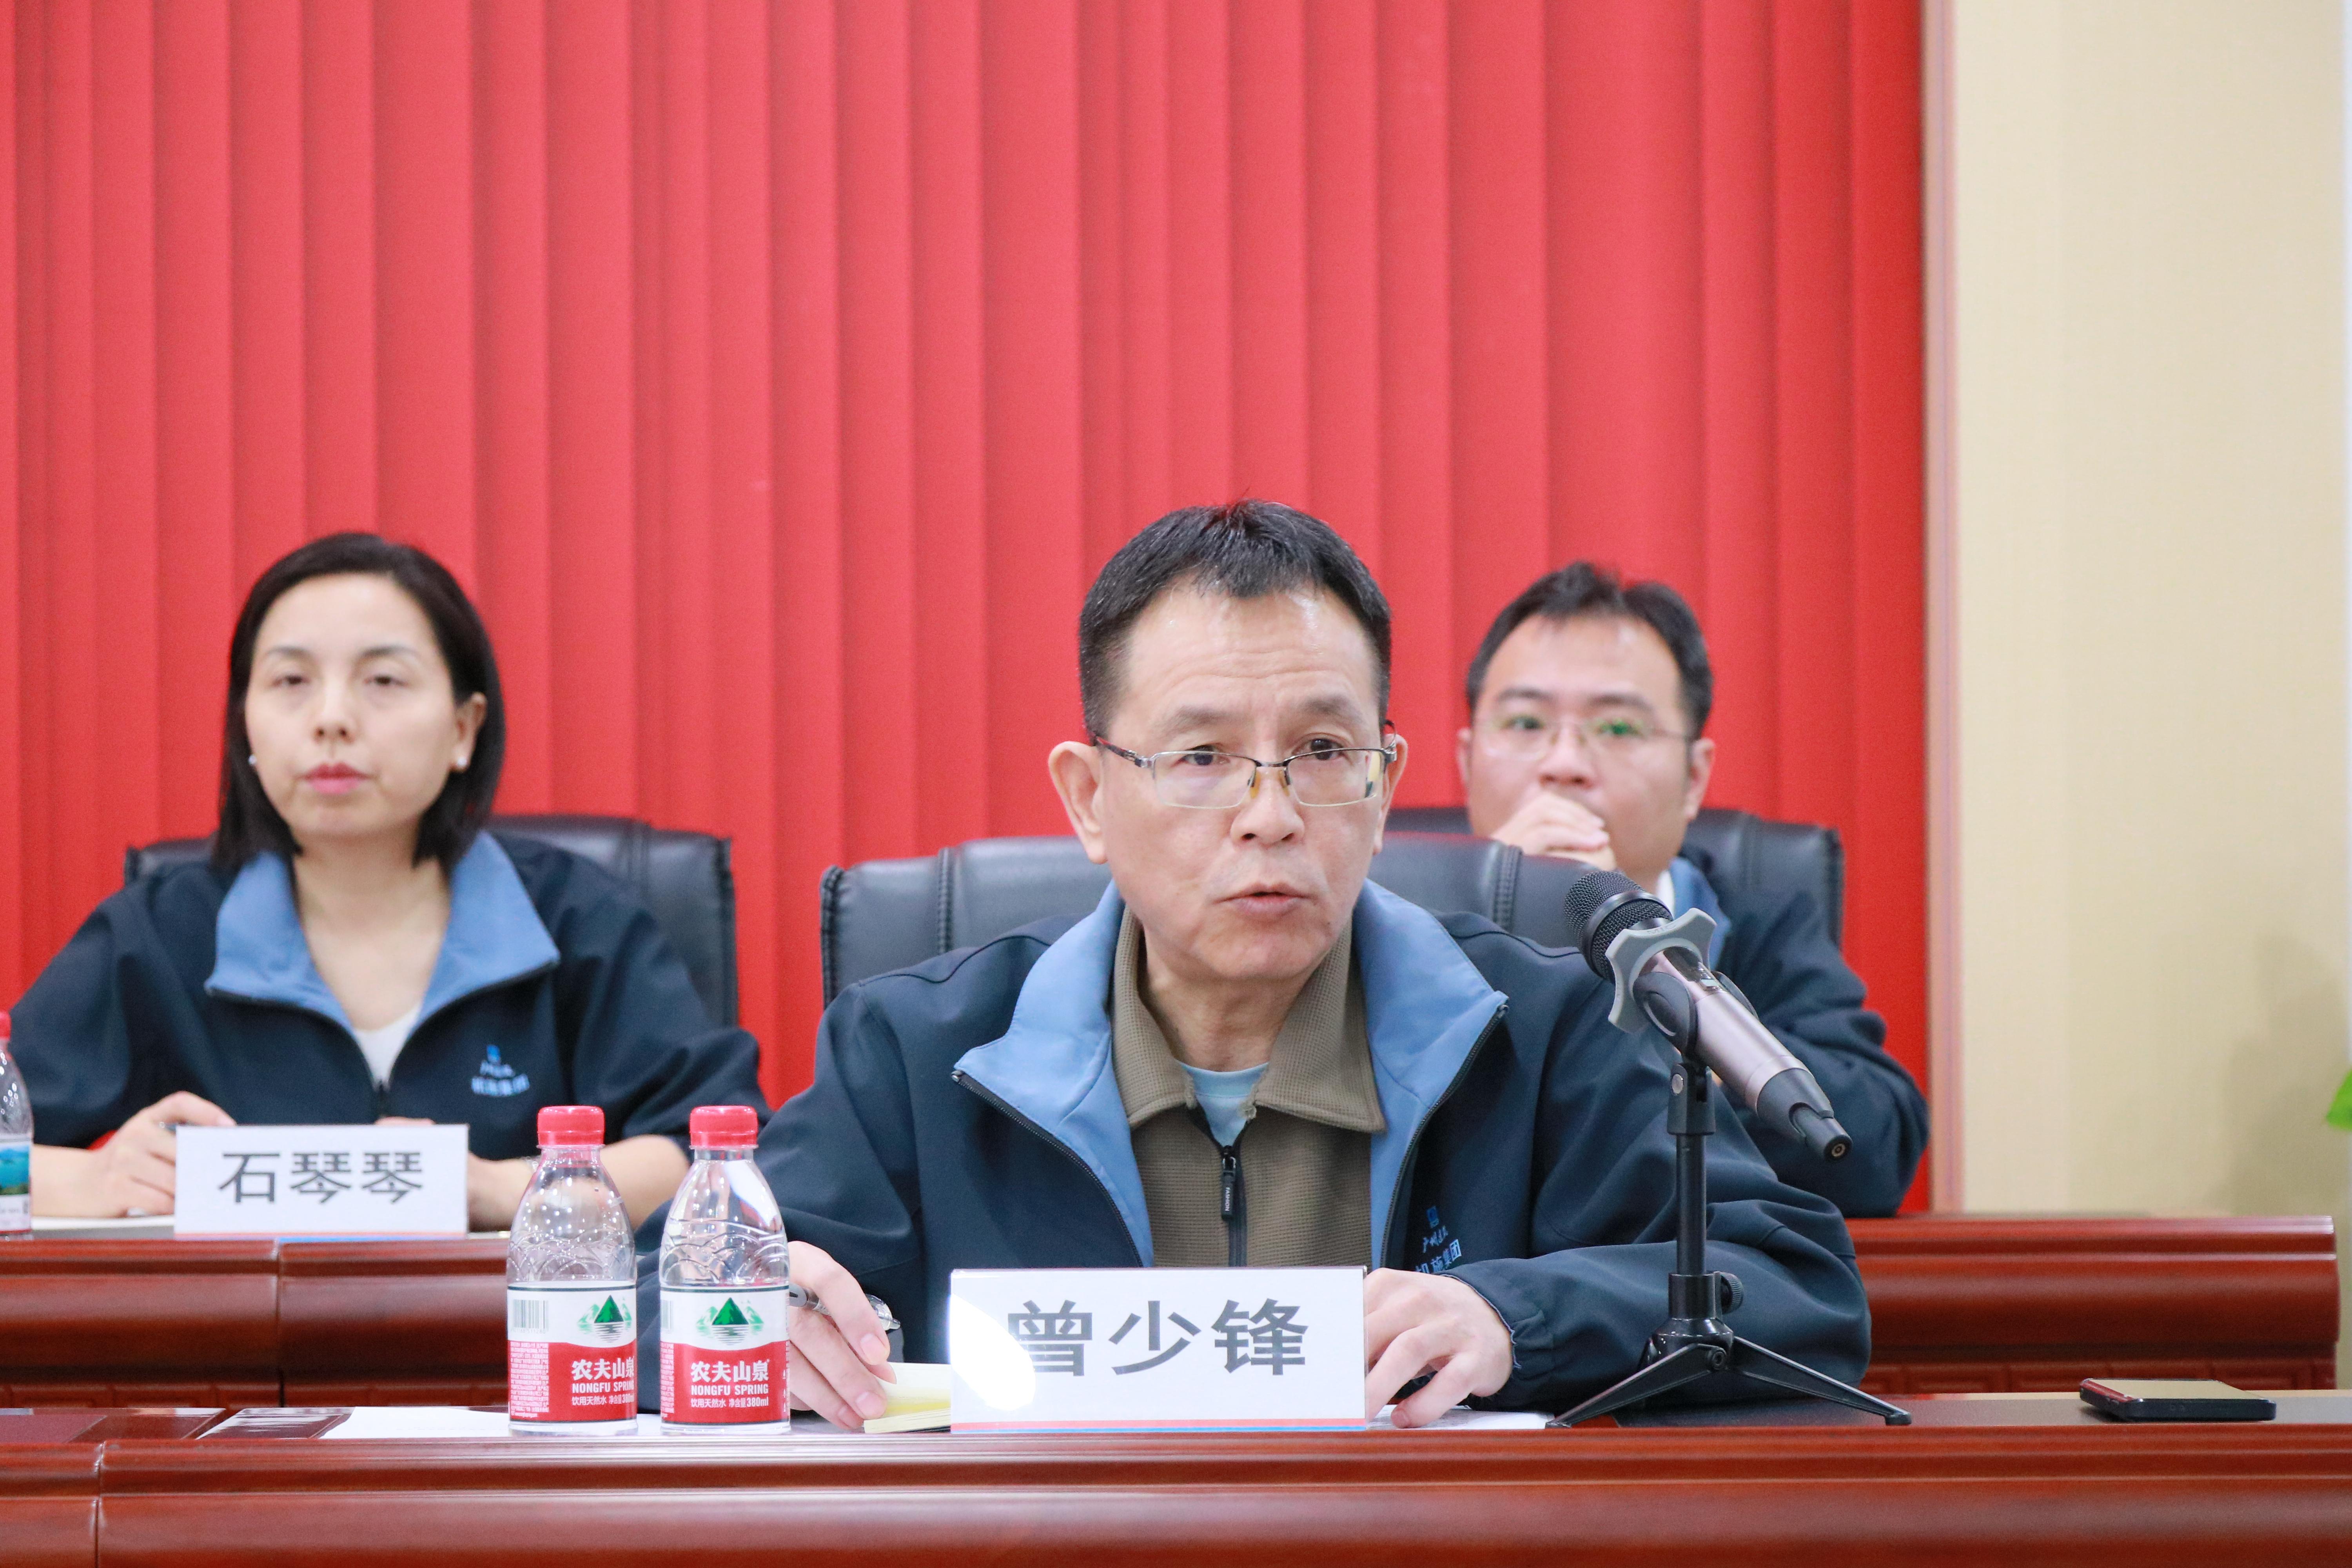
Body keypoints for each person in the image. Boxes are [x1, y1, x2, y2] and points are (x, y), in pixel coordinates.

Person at [672, 502, 1866, 1429]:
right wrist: (750, 1320)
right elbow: (632, 1306)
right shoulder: (920, 1053)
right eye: (1201, 758)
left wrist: (1513, 1315)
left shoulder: (1542, 1028)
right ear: (1089, 800)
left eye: (1323, 750)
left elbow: (1799, 1286)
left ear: (1387, 785)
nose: (1271, 815)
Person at [16, 533, 765, 1228]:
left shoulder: (577, 919)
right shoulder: (159, 933)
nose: (332, 718)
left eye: (382, 680)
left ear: (464, 729)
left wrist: (501, 1189)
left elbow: (712, 1152)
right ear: (246, 724)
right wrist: (98, 1178)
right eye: (290, 680)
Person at [1454, 562, 1926, 1217]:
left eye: (1618, 728)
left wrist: (1673, 1015)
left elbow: (1871, 1147)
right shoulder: (1403, 925)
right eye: (1526, 724)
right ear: (1466, 761)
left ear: (1694, 779)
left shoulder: (1758, 927)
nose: (1563, 764)